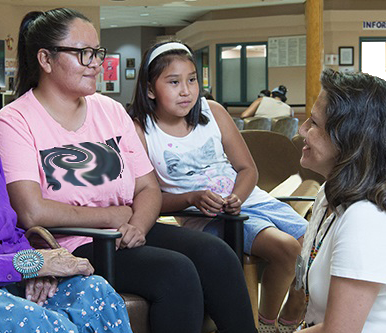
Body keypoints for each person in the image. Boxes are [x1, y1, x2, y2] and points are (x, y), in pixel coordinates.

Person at [0, 8, 256, 333]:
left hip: (126, 232)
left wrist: (138, 226)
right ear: (46, 59)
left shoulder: (111, 110)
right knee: (175, 272)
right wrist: (111, 217)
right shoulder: (14, 121)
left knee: (217, 254)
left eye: (97, 53)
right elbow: (31, 211)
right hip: (72, 243)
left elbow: (147, 187)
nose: (96, 63)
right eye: (84, 54)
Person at [0, 35, 131, 333]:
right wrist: (27, 264)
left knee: (95, 292)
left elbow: (8, 231)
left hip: (2, 283)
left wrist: (36, 269)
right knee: (40, 324)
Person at [128, 40, 308, 333]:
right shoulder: (140, 129)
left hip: (249, 200)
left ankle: (289, 319)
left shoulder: (212, 111)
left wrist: (236, 196)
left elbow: (248, 169)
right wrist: (190, 197)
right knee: (287, 248)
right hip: (209, 219)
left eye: (192, 80)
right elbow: (146, 197)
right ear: (150, 89)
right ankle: (265, 324)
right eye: (173, 82)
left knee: (312, 248)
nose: (186, 90)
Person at [297, 69, 386, 332]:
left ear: (347, 137)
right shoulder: (329, 192)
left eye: (313, 123)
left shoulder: (366, 217)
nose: (302, 129)